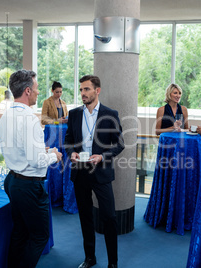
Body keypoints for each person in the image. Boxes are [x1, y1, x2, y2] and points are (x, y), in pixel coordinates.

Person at [0, 70, 62, 268]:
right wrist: (54, 155)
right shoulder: (30, 119)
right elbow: (36, 161)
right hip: (29, 186)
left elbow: (19, 148)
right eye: (35, 89)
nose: (37, 93)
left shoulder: (5, 116)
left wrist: (42, 150)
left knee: (20, 232)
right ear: (27, 91)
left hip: (12, 181)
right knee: (40, 236)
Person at [64, 75, 125, 268]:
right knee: (85, 217)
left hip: (101, 172)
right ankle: (90, 257)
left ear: (97, 91)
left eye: (87, 89)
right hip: (80, 172)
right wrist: (71, 152)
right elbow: (68, 141)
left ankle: (113, 262)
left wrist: (102, 156)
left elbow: (119, 144)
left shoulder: (110, 114)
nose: (83, 93)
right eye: (81, 90)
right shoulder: (74, 114)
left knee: (109, 218)